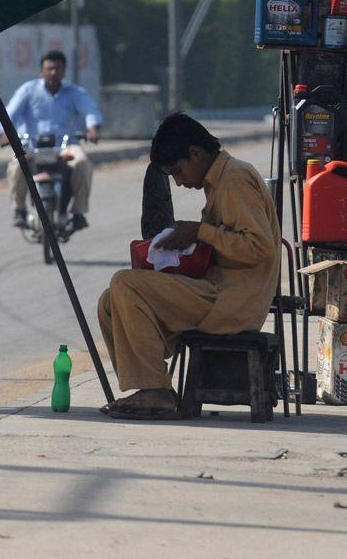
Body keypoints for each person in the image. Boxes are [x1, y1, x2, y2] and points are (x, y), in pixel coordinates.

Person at [97, 114, 281, 420]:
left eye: (178, 171)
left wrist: (200, 232)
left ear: (196, 152)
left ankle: (154, 389)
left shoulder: (235, 178)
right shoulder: (219, 182)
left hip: (232, 301)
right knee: (109, 303)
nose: (179, 181)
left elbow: (259, 248)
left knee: (125, 283)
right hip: (215, 291)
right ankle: (153, 385)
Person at [1, 50, 101, 230]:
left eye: (57, 69)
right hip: (32, 146)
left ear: (64, 71)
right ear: (42, 71)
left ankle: (78, 213)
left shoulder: (74, 92)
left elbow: (91, 110)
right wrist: (6, 133)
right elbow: (9, 114)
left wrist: (93, 128)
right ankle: (19, 210)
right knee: (16, 166)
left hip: (65, 146)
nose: (53, 73)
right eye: (49, 69)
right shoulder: (28, 90)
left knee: (83, 163)